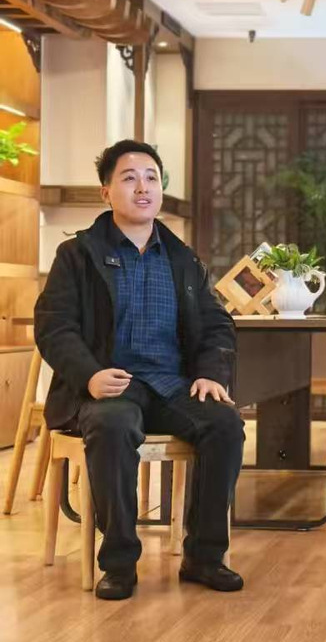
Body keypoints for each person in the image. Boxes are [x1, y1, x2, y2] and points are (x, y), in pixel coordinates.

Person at [35, 139, 245, 601]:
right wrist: (90, 375)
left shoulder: (183, 259)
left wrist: (211, 373)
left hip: (172, 386)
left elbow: (216, 324)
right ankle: (119, 563)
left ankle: (204, 557)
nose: (143, 188)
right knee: (111, 424)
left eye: (151, 178)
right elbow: (54, 326)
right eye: (129, 178)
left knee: (225, 424)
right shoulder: (77, 255)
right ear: (106, 192)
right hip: (111, 385)